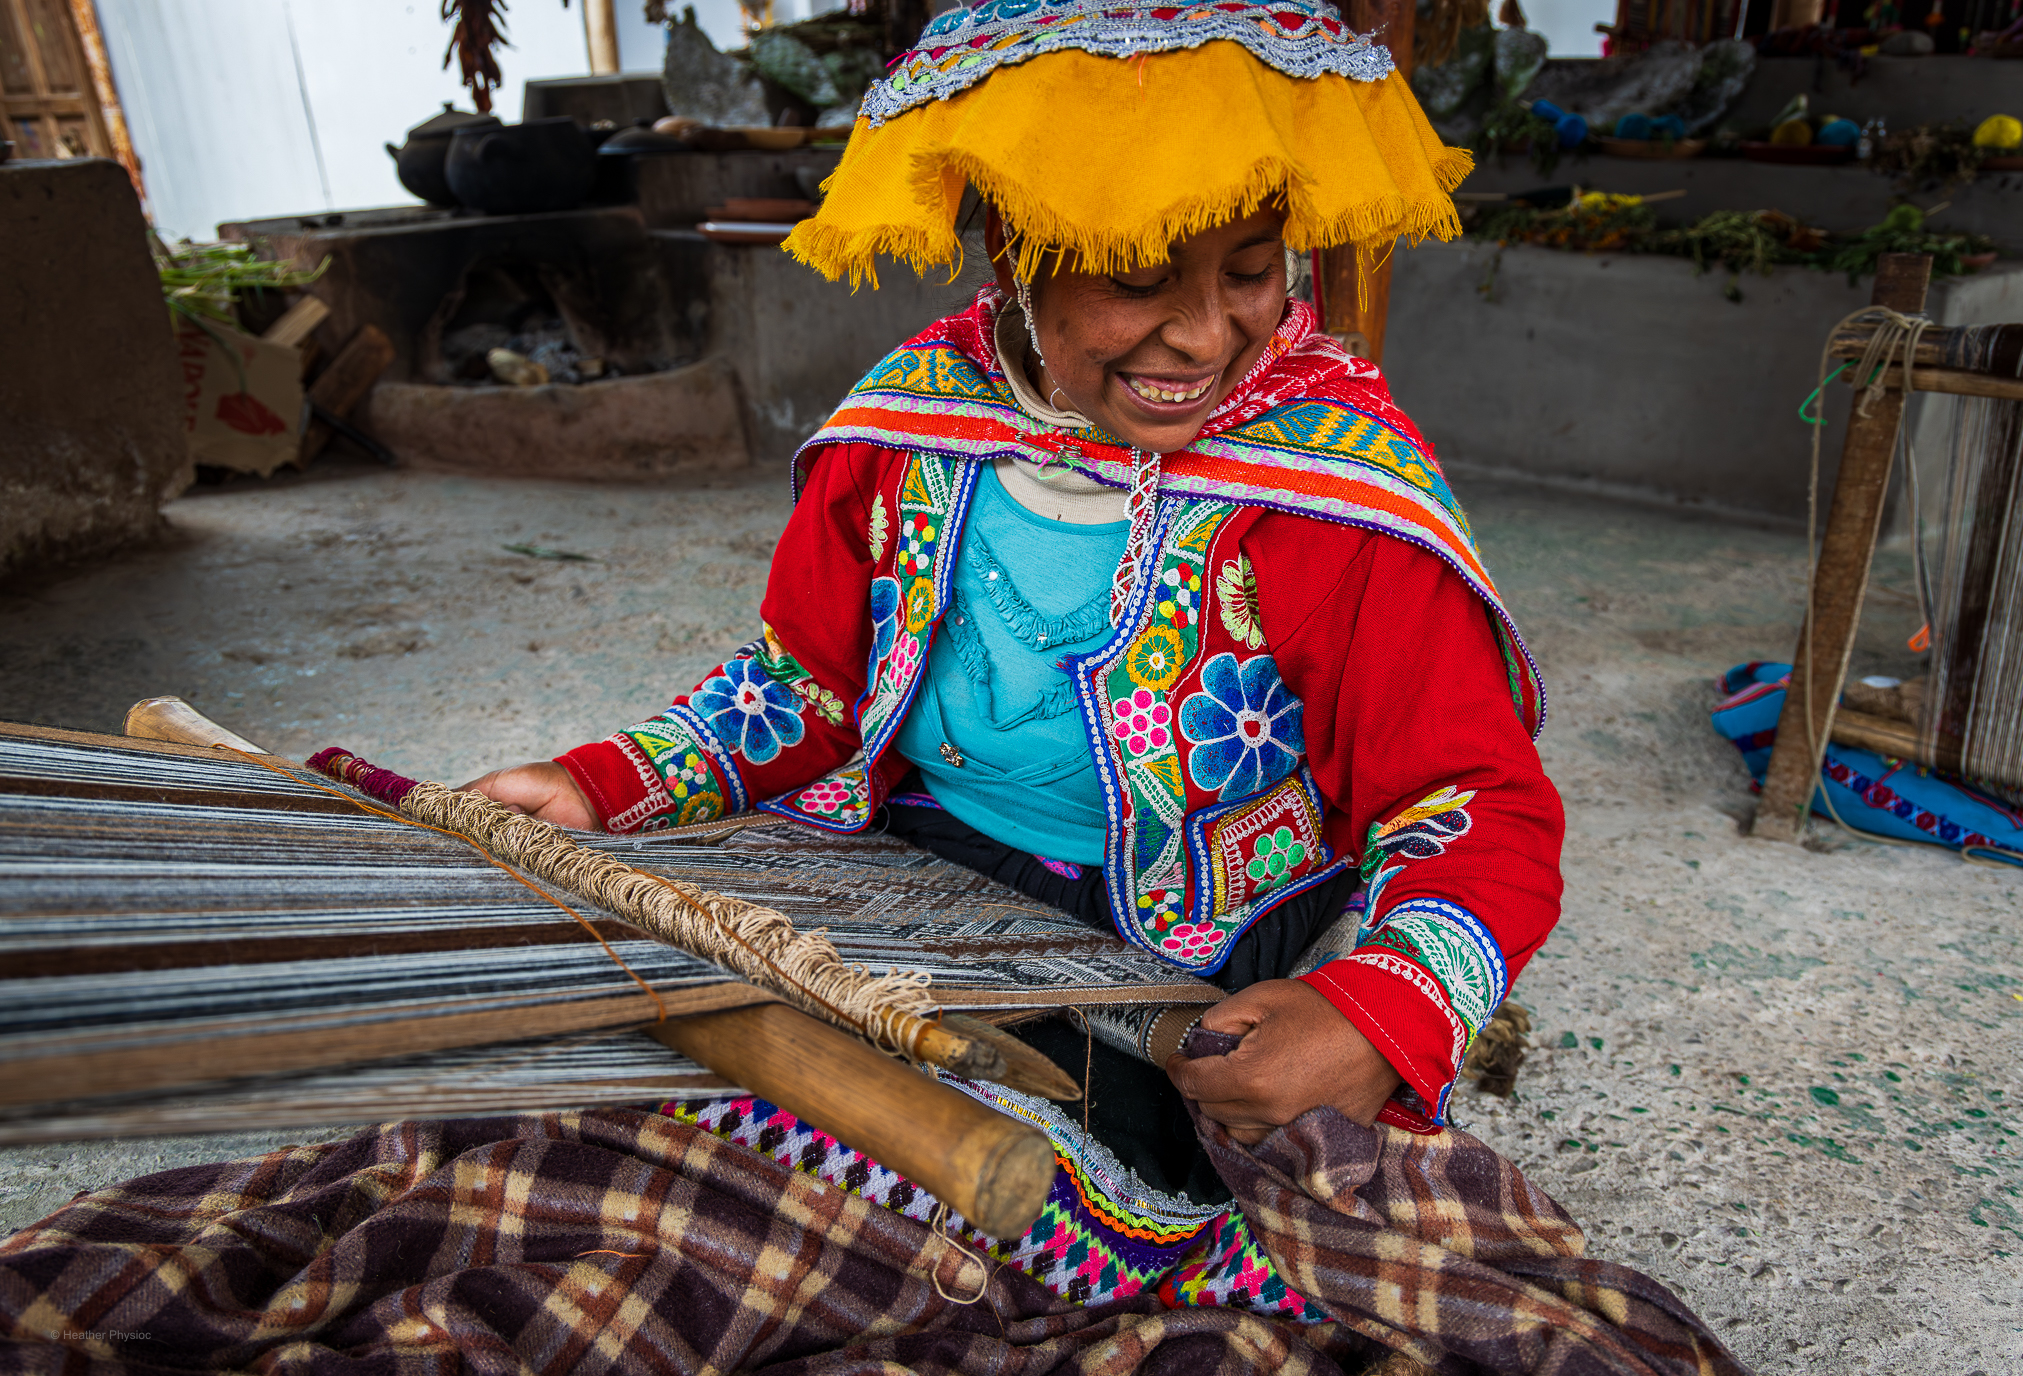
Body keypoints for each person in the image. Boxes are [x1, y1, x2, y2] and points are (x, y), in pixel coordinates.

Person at [464, 0, 1561, 1154]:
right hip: (915, 864)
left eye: (1249, 273)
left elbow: (1467, 799)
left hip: (1183, 939)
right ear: (1016, 258)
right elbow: (808, 680)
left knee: (1019, 1179)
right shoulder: (909, 431)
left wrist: (1376, 1006)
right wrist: (605, 781)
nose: (1203, 337)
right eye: (1137, 280)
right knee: (649, 1083)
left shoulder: (1330, 498)